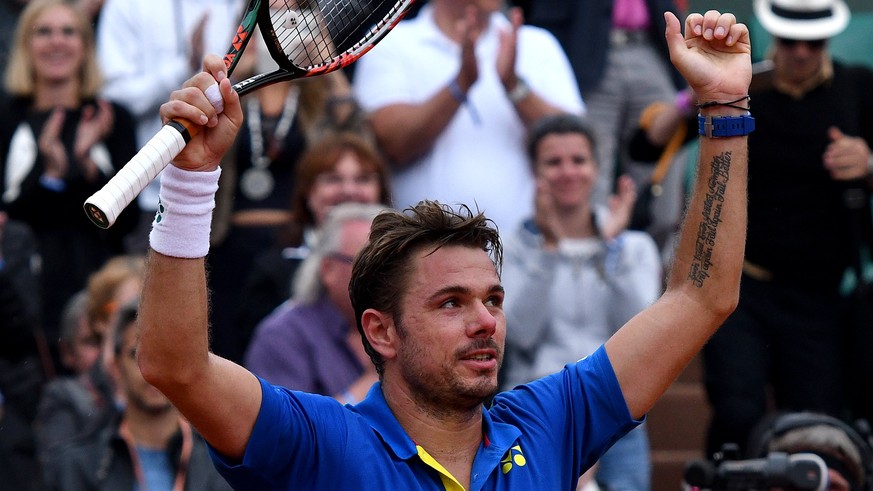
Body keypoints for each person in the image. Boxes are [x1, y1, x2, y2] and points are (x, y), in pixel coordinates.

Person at [135, 9, 751, 489]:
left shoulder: (548, 424)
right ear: (381, 331)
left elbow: (702, 297)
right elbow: (176, 367)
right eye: (451, 303)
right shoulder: (320, 442)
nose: (486, 321)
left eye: (493, 299)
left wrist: (724, 109)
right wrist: (190, 181)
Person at [701, 0, 873, 459]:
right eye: (790, 39)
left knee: (817, 428)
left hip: (820, 297)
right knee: (737, 413)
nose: (800, 52)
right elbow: (650, 143)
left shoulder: (858, 89)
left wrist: (869, 163)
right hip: (743, 290)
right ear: (774, 37)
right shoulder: (746, 87)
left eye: (813, 41)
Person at [500, 113, 662, 490]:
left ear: (596, 167)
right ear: (534, 171)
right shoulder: (509, 246)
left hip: (617, 403)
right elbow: (518, 335)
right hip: (536, 406)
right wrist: (549, 251)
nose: (568, 172)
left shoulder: (633, 246)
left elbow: (642, 330)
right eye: (554, 162)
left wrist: (611, 247)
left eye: (579, 160)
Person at [351, 0, 584, 235]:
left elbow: (577, 144)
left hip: (525, 258)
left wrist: (515, 87)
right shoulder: (390, 41)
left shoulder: (537, 43)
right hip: (420, 255)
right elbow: (394, 144)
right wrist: (460, 84)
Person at [0, 0, 139, 355]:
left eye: (68, 31)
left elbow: (127, 221)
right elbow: (7, 217)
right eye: (43, 32)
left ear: (86, 45)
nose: (56, 42)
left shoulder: (113, 119)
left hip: (99, 286)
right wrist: (48, 175)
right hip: (23, 294)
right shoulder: (6, 117)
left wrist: (86, 166)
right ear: (25, 45)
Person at [522, 0, 688, 249]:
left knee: (662, 191)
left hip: (651, 46)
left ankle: (657, 270)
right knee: (586, 171)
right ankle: (587, 261)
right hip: (589, 51)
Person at [95, 0, 242, 253]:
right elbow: (115, 99)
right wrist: (184, 67)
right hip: (147, 195)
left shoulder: (239, 6)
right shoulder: (125, 5)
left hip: (227, 198)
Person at [233, 132, 391, 361]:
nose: (349, 190)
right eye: (333, 179)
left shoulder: (406, 262)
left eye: (363, 179)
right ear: (308, 192)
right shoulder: (272, 269)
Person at [44, 300, 233, 491]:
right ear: (116, 366)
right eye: (138, 355)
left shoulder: (225, 466)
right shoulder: (76, 467)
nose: (155, 369)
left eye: (168, 353)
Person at [244, 202, 385, 404]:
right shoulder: (282, 336)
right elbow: (287, 431)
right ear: (328, 269)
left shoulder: (406, 326)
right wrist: (374, 382)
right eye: (369, 264)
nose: (386, 276)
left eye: (392, 264)